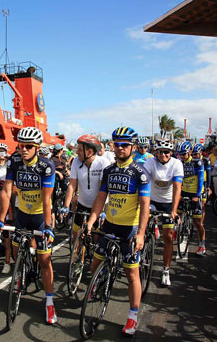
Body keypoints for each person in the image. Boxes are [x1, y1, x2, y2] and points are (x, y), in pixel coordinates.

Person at [87, 126, 150, 336]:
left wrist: (140, 234)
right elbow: (100, 198)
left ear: (132, 147)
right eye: (117, 144)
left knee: (132, 273)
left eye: (124, 145)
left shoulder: (140, 173)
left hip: (129, 229)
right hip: (110, 224)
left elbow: (145, 206)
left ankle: (132, 317)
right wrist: (93, 219)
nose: (120, 148)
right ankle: (98, 284)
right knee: (95, 262)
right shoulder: (109, 170)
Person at [0, 126, 57, 324]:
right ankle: (20, 275)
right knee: (16, 250)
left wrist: (48, 226)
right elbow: (6, 192)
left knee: (44, 260)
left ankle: (49, 303)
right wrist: (1, 219)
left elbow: (47, 201)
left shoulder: (46, 166)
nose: (24, 149)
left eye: (28, 146)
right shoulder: (14, 162)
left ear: (37, 148)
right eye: (21, 145)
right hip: (22, 213)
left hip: (40, 215)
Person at [144, 138, 183, 286]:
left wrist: (174, 210)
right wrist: (144, 205)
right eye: (160, 152)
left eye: (166, 152)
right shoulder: (150, 162)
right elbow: (145, 182)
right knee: (142, 227)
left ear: (171, 153)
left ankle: (165, 270)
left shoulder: (176, 164)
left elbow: (177, 187)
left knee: (168, 236)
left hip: (168, 203)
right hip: (152, 200)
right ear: (156, 152)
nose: (163, 155)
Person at [61, 135, 110, 243]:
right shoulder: (76, 162)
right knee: (75, 236)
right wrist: (66, 206)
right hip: (83, 203)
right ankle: (76, 257)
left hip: (99, 206)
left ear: (89, 152)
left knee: (96, 237)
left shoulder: (103, 163)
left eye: (79, 149)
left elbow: (102, 190)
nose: (76, 152)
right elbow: (72, 185)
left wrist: (101, 210)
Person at [176, 141, 205, 255]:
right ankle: (177, 232)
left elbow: (201, 180)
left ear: (189, 152)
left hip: (195, 194)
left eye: (184, 154)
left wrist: (197, 195)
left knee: (198, 222)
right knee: (177, 214)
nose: (182, 156)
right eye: (180, 154)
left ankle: (202, 245)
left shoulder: (197, 163)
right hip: (184, 192)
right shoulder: (179, 164)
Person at [191, 143, 210, 243]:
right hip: (192, 187)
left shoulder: (206, 160)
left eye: (196, 154)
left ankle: (201, 221)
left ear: (200, 153)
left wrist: (208, 187)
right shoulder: (191, 161)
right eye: (192, 154)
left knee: (202, 204)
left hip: (204, 184)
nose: (194, 156)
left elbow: (208, 174)